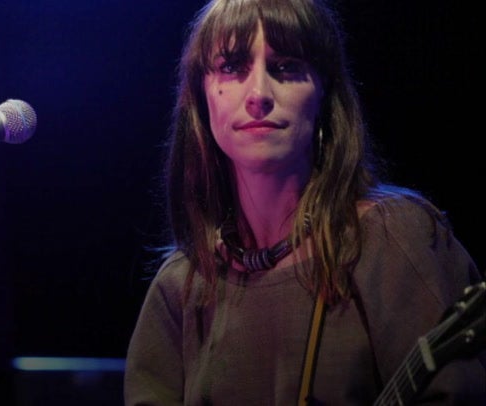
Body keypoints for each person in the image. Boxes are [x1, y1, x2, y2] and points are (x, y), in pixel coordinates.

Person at [124, 0, 486, 404]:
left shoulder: (391, 240)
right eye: (232, 67)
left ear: (323, 94)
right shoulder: (180, 286)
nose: (258, 94)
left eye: (285, 67)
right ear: (201, 96)